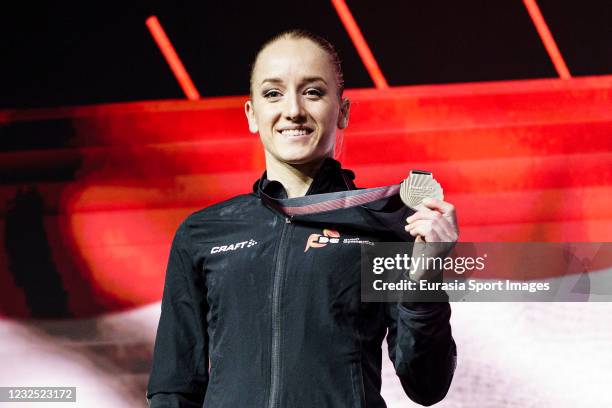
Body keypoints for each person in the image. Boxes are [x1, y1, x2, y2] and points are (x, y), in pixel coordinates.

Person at [146, 29, 458, 408]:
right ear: (252, 114)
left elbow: (426, 385)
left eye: (312, 92)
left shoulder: (386, 225)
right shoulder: (203, 233)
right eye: (273, 93)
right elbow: (173, 388)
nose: (293, 110)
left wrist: (425, 279)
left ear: (342, 111)